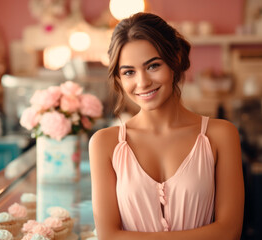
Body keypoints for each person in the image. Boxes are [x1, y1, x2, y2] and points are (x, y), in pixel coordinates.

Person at [89, 12, 244, 240]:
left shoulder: (221, 135)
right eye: (129, 72)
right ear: (120, 79)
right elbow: (108, 236)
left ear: (176, 60)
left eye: (153, 66)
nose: (142, 82)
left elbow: (229, 232)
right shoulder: (104, 143)